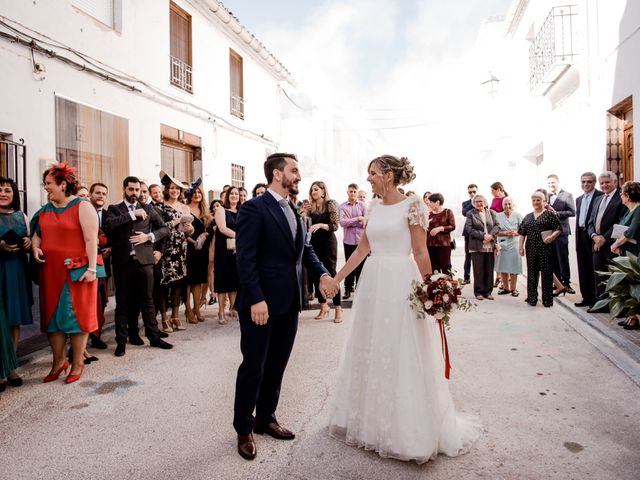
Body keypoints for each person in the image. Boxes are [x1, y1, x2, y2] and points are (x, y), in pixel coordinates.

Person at [329, 154, 480, 463]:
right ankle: (369, 425)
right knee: (371, 347)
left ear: (389, 174)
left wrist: (434, 290)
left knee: (401, 349)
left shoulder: (413, 205)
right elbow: (362, 249)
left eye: (373, 172)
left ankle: (408, 432)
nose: (368, 178)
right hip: (373, 283)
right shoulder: (372, 207)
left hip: (401, 282)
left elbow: (420, 250)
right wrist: (336, 278)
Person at [233, 152, 334, 461]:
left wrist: (324, 275)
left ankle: (266, 417)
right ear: (277, 174)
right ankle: (244, 428)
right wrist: (257, 298)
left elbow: (305, 252)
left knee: (277, 364)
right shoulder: (254, 208)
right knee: (254, 365)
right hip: (260, 303)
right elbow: (245, 257)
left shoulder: (296, 212)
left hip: (290, 302)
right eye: (294, 170)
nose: (299, 176)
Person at [31, 163, 100, 383]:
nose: (46, 188)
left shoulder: (82, 206)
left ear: (62, 185)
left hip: (78, 271)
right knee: (52, 320)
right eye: (45, 184)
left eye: (49, 184)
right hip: (51, 272)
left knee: (77, 318)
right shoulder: (44, 210)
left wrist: (91, 269)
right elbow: (37, 234)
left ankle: (78, 362)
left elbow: (91, 240)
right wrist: (35, 247)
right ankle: (59, 362)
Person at [104, 176, 172, 357]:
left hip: (145, 261)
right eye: (131, 190)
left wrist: (148, 237)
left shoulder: (149, 208)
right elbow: (110, 225)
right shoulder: (115, 209)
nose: (135, 193)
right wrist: (132, 214)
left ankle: (154, 337)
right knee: (123, 303)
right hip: (123, 263)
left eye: (137, 190)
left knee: (148, 301)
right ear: (124, 189)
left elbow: (164, 229)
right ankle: (121, 342)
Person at [0, 176, 32, 387]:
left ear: (14, 195)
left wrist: (29, 243)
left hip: (17, 271)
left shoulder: (22, 216)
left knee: (14, 319)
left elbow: (30, 240)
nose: (3, 193)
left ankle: (11, 367)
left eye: (7, 190)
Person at [156, 172, 193, 332]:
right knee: (165, 284)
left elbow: (188, 231)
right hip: (166, 248)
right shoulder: (160, 206)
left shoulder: (185, 207)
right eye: (171, 188)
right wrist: (177, 221)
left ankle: (176, 317)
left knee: (179, 284)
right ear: (167, 190)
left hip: (181, 248)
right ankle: (164, 318)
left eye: (177, 188)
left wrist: (190, 230)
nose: (174, 191)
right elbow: (160, 228)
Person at [587, 171, 627, 313]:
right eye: (602, 183)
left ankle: (618, 307)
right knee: (599, 275)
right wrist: (594, 236)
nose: (604, 185)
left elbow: (621, 221)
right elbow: (590, 221)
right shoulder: (598, 199)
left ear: (615, 182)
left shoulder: (621, 198)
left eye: (607, 182)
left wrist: (604, 237)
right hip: (597, 244)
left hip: (612, 245)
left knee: (615, 276)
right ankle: (601, 304)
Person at [518, 191, 562, 307]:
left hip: (546, 248)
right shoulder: (528, 216)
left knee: (546, 273)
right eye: (534, 200)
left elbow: (558, 228)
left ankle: (547, 300)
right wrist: (520, 247)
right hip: (531, 248)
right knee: (532, 273)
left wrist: (552, 237)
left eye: (538, 200)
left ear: (544, 201)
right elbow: (522, 233)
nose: (536, 202)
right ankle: (532, 298)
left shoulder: (549, 214)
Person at [306, 181, 342, 323]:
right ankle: (323, 306)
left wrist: (321, 225)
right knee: (316, 274)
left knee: (331, 274)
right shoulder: (311, 207)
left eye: (316, 189)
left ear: (323, 191)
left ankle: (338, 308)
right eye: (312, 190)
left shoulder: (330, 204)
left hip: (328, 243)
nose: (313, 192)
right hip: (314, 243)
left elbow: (335, 226)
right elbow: (305, 223)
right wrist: (303, 212)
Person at [610, 181, 640, 330]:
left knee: (636, 285)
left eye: (622, 193)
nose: (620, 196)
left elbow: (630, 232)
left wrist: (615, 244)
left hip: (636, 253)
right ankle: (631, 316)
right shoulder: (629, 211)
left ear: (628, 195)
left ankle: (635, 318)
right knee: (629, 284)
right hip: (627, 252)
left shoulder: (639, 210)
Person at [185, 180, 214, 323]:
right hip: (189, 249)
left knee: (198, 281)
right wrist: (195, 241)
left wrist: (206, 237)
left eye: (199, 193)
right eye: (194, 192)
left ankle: (197, 308)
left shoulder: (205, 212)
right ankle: (188, 310)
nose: (197, 195)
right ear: (190, 194)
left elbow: (209, 231)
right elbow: (182, 232)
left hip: (202, 251)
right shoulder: (185, 209)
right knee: (188, 281)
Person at [574, 173, 602, 307]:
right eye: (583, 182)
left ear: (594, 183)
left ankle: (596, 299)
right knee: (583, 267)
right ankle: (586, 297)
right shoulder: (579, 199)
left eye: (589, 182)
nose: (586, 184)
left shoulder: (600, 196)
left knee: (594, 267)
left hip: (593, 235)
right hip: (581, 235)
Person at [87, 182, 110, 349]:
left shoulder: (110, 215)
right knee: (86, 302)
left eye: (104, 193)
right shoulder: (82, 212)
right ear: (90, 194)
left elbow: (116, 236)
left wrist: (111, 248)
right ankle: (79, 343)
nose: (101, 196)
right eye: (98, 193)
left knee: (100, 302)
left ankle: (96, 336)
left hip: (104, 263)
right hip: (85, 264)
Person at [464, 195, 499, 300]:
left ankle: (488, 292)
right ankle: (478, 292)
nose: (480, 203)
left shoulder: (491, 212)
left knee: (489, 268)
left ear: (485, 202)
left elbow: (497, 226)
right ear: (474, 203)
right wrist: (483, 236)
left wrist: (490, 236)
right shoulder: (470, 213)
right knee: (478, 269)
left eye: (481, 201)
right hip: (477, 245)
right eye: (477, 201)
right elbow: (468, 229)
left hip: (489, 245)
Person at [214, 186, 241, 324]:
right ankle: (220, 312)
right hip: (223, 250)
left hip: (237, 250)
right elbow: (222, 228)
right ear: (227, 195)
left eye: (237, 194)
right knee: (223, 281)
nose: (234, 196)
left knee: (235, 280)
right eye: (232, 193)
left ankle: (233, 308)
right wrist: (241, 236)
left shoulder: (242, 211)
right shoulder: (221, 209)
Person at [547, 174, 576, 293]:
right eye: (549, 183)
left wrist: (557, 213)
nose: (550, 185)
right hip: (549, 232)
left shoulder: (567, 195)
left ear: (558, 182)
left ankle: (566, 283)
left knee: (563, 258)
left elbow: (572, 212)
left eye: (552, 183)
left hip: (562, 232)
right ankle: (557, 284)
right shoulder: (547, 196)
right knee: (552, 259)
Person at [338, 183, 366, 300]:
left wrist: (351, 220)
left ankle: (359, 290)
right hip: (348, 241)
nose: (353, 193)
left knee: (361, 266)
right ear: (347, 192)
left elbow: (365, 223)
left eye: (355, 191)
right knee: (349, 265)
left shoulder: (363, 206)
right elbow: (342, 223)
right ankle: (348, 289)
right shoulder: (342, 206)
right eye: (351, 191)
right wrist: (358, 218)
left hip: (361, 241)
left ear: (357, 192)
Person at [495, 197, 523, 296]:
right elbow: (495, 232)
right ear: (502, 205)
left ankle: (513, 289)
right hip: (502, 243)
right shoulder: (497, 216)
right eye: (505, 204)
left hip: (514, 244)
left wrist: (515, 233)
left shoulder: (518, 216)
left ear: (513, 204)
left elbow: (523, 231)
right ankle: (506, 288)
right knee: (503, 266)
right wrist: (505, 233)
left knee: (514, 266)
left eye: (509, 204)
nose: (507, 206)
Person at [426, 192, 455, 274]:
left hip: (444, 245)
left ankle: (449, 286)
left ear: (438, 202)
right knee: (434, 269)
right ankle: (435, 286)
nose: (429, 204)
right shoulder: (429, 214)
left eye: (431, 202)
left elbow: (452, 226)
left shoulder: (447, 212)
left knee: (446, 267)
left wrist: (440, 228)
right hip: (430, 245)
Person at [461, 184, 477, 284]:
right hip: (468, 232)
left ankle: (479, 278)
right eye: (470, 192)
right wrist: (472, 201)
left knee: (478, 256)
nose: (472, 193)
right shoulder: (466, 203)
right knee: (468, 255)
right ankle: (466, 277)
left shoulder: (482, 201)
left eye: (474, 192)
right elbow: (464, 213)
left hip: (480, 232)